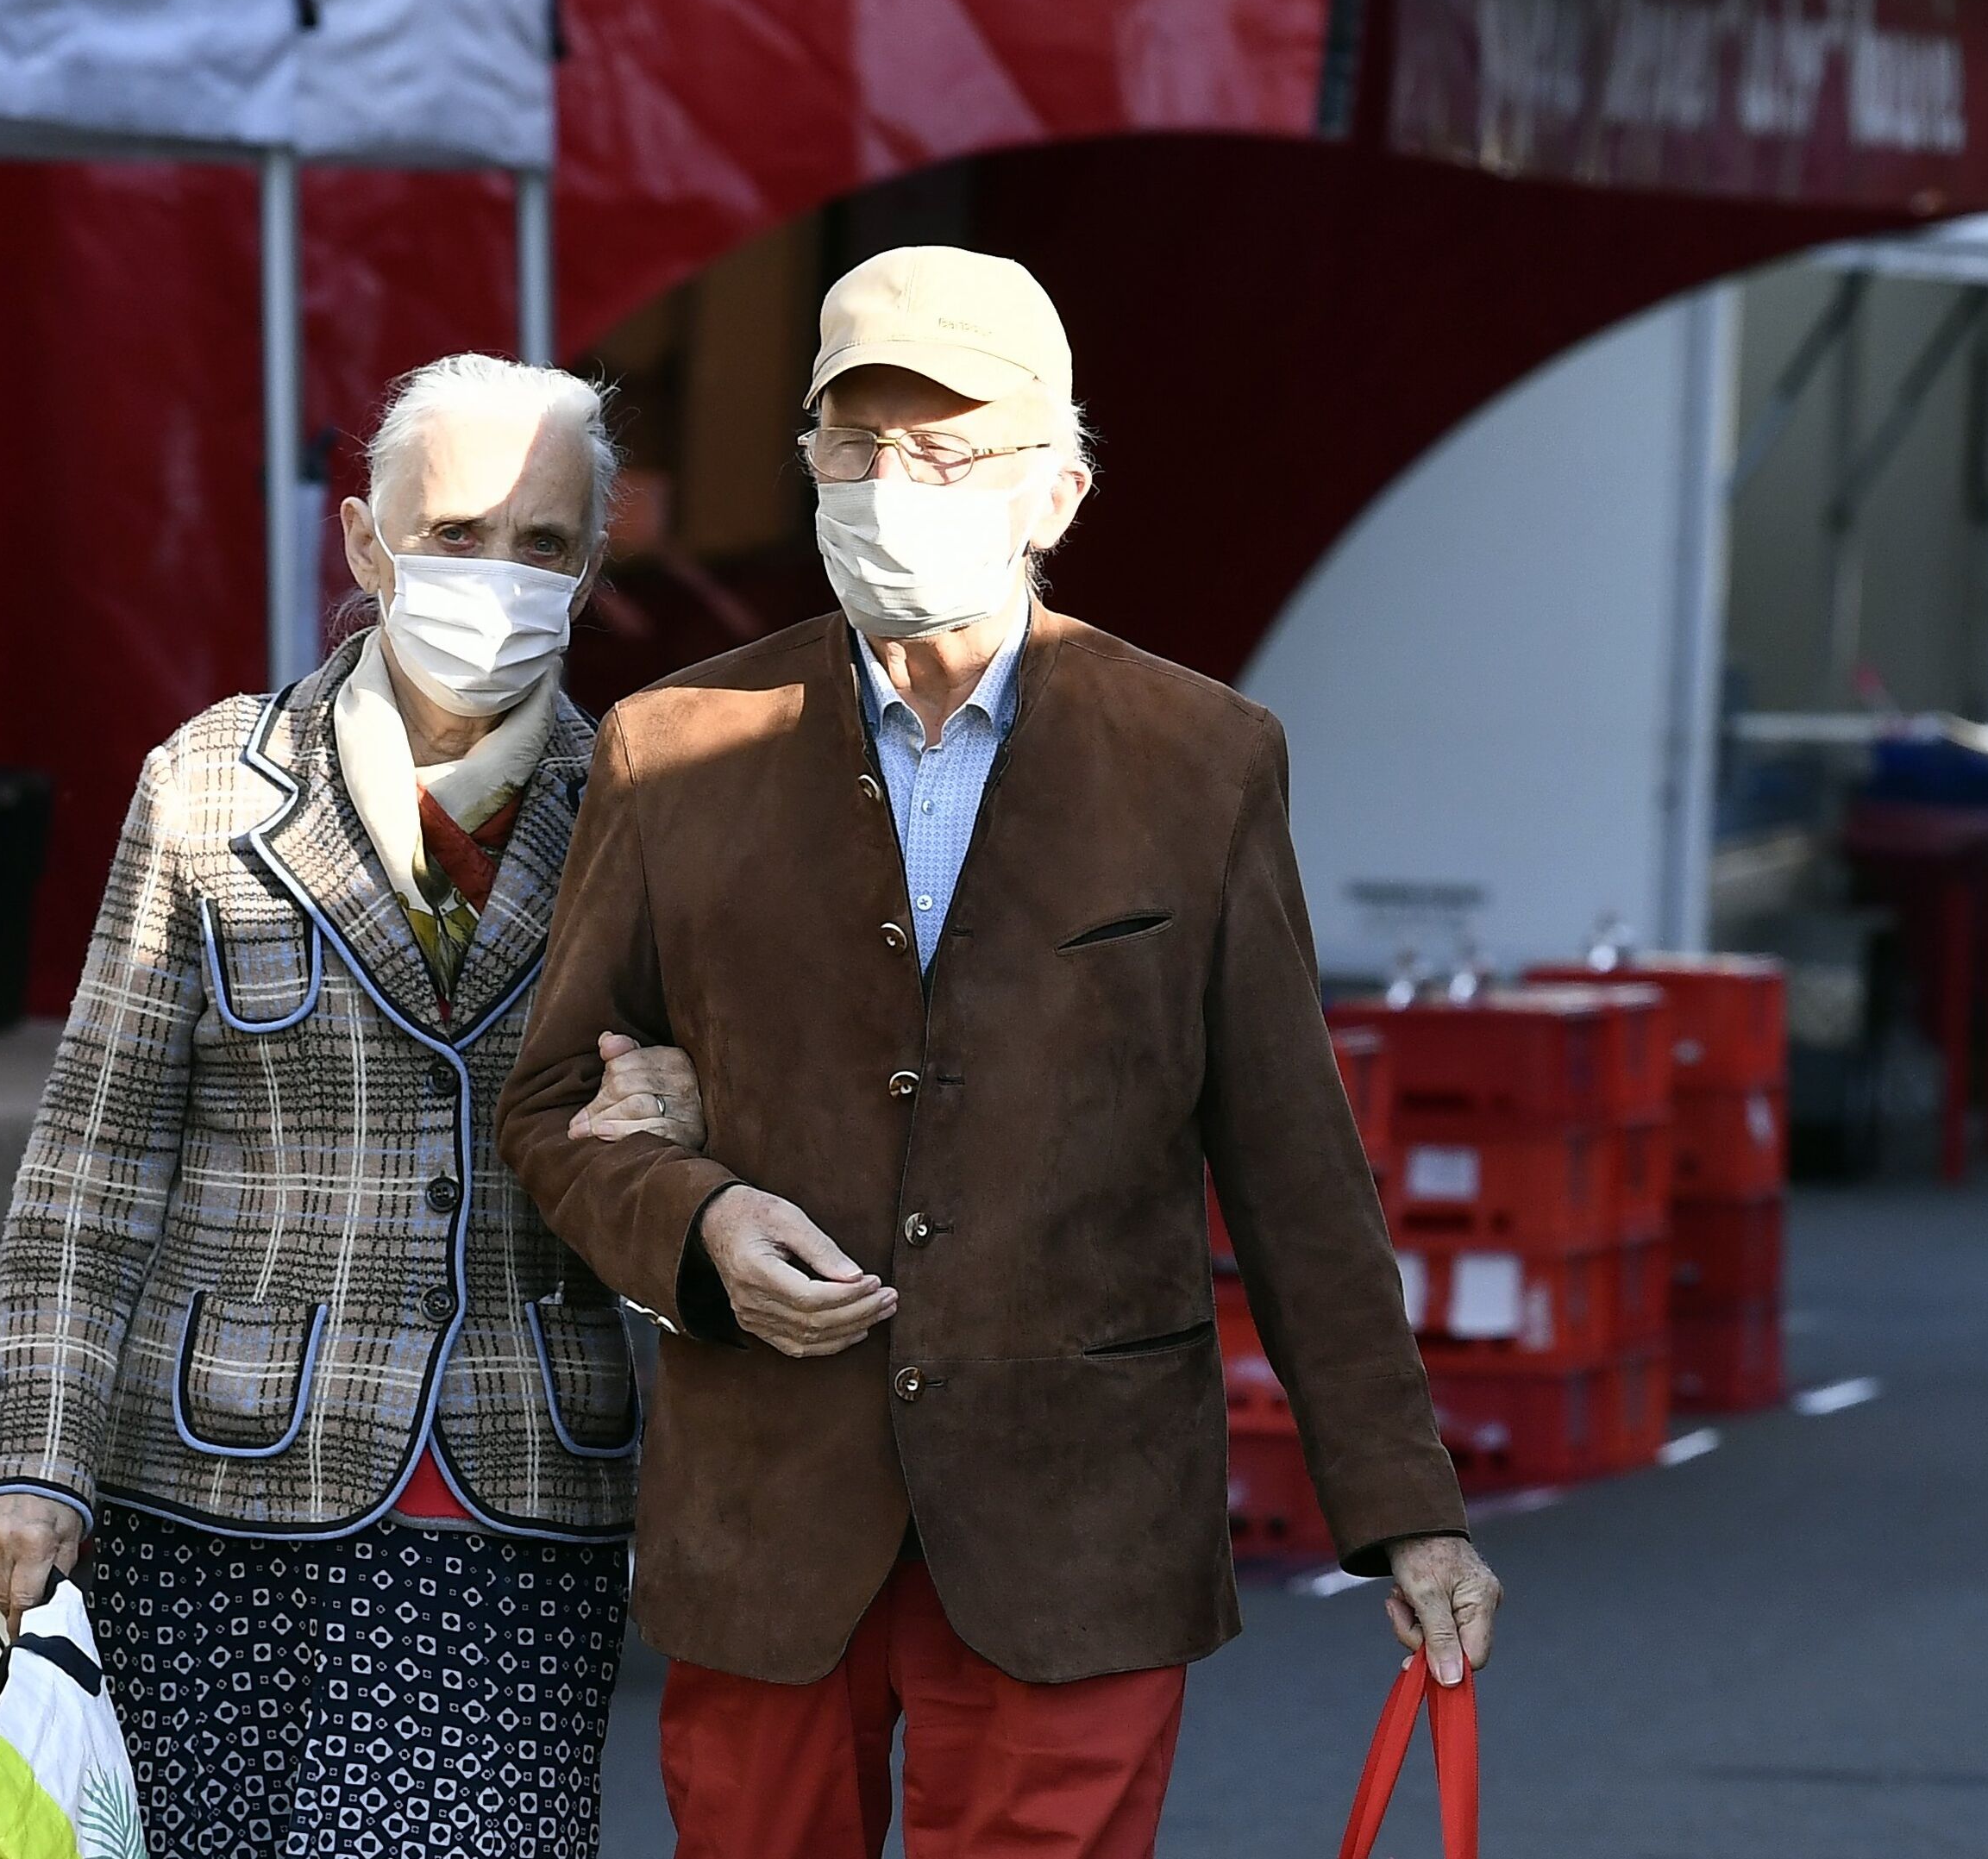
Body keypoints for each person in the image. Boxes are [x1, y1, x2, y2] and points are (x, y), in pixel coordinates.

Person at [499, 247, 1500, 1859]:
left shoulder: (1198, 757)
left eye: (948, 453)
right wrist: (695, 1223)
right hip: (769, 1506)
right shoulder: (673, 746)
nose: (893, 490)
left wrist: (1406, 1511)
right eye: (855, 448)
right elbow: (554, 1103)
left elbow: (1295, 1165)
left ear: (1058, 492)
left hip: (1080, 1513)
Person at [0, 354, 704, 1859]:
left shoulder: (649, 805)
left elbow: (708, 1147)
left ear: (590, 568)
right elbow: (95, 1157)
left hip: (512, 1488)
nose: (498, 574)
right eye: (456, 533)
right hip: (202, 1484)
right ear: (366, 541)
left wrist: (683, 1121)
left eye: (543, 543)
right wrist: (35, 1459)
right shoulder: (213, 783)